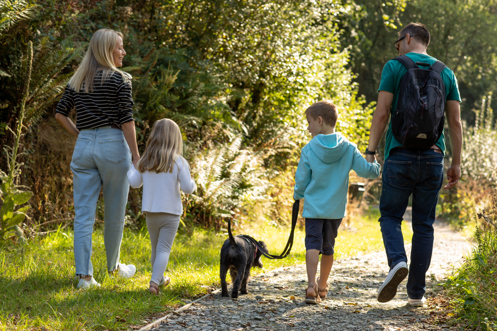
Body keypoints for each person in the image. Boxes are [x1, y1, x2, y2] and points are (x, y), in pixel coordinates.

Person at [366, 23, 462, 306]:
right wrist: (455, 163)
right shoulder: (446, 72)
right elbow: (455, 122)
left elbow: (382, 113)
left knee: (390, 217)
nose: (397, 49)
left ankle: (397, 262)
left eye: (398, 44)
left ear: (407, 38)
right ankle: (416, 295)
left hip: (400, 155)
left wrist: (371, 151)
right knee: (424, 225)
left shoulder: (394, 67)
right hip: (434, 157)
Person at [55, 28, 140, 289]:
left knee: (83, 215)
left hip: (84, 147)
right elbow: (126, 120)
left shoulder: (78, 79)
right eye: (119, 47)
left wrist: (80, 133)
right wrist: (137, 156)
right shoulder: (120, 79)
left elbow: (60, 113)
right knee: (115, 212)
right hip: (113, 146)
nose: (123, 52)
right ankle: (113, 268)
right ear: (106, 50)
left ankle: (85, 277)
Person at [293, 101, 381, 304]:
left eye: (309, 122)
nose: (308, 128)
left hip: (314, 208)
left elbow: (301, 180)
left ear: (320, 121)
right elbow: (368, 172)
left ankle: (310, 286)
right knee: (328, 247)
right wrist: (374, 162)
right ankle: (322, 287)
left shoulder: (308, 149)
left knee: (312, 244)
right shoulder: (348, 148)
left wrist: (298, 195)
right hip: (335, 210)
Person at [127, 118, 196, 294]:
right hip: (171, 212)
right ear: (175, 139)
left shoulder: (145, 161)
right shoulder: (179, 161)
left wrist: (130, 167)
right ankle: (154, 284)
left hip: (151, 212)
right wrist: (193, 182)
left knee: (156, 248)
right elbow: (188, 188)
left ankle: (160, 278)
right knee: (164, 249)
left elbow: (135, 183)